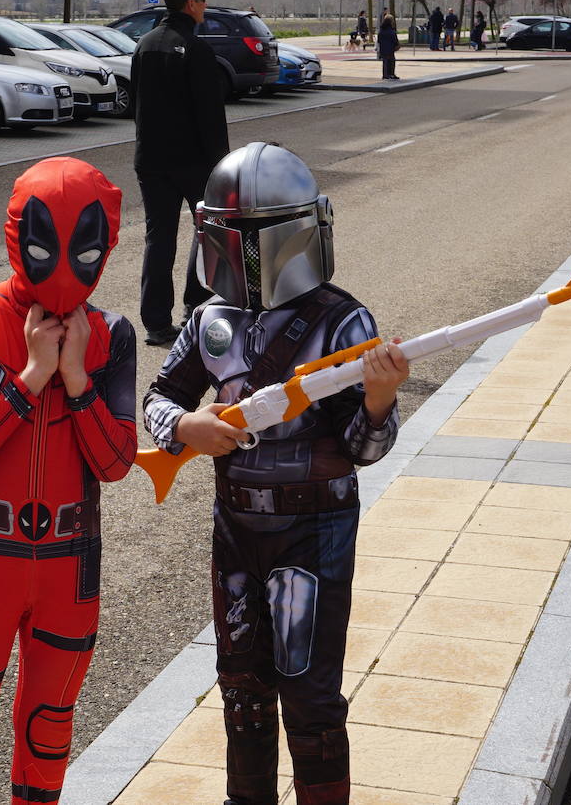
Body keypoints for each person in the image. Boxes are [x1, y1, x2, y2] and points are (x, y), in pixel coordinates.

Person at [143, 142, 409, 805]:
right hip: (236, 528)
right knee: (242, 692)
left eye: (261, 236)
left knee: (310, 699)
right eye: (238, 237)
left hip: (313, 531)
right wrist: (187, 427)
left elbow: (363, 449)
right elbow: (159, 398)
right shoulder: (210, 320)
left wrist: (379, 397)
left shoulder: (342, 321)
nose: (251, 255)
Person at [0, 157, 138, 805]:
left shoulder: (112, 336)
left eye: (85, 251)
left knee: (47, 741)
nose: (64, 271)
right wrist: (33, 376)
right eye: (45, 248)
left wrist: (77, 380)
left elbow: (116, 463)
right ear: (18, 235)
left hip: (68, 570)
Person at [131, 0, 227, 346]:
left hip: (151, 159)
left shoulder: (144, 45)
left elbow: (136, 104)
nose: (205, 5)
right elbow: (210, 117)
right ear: (190, 4)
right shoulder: (196, 49)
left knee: (159, 238)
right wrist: (222, 165)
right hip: (193, 160)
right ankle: (195, 309)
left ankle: (155, 323)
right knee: (205, 232)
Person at [378, 12, 400, 80]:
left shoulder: (381, 30)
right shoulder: (391, 30)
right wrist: (397, 44)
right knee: (391, 61)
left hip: (383, 48)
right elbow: (394, 39)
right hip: (390, 48)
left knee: (385, 61)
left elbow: (379, 40)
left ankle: (386, 74)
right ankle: (391, 74)